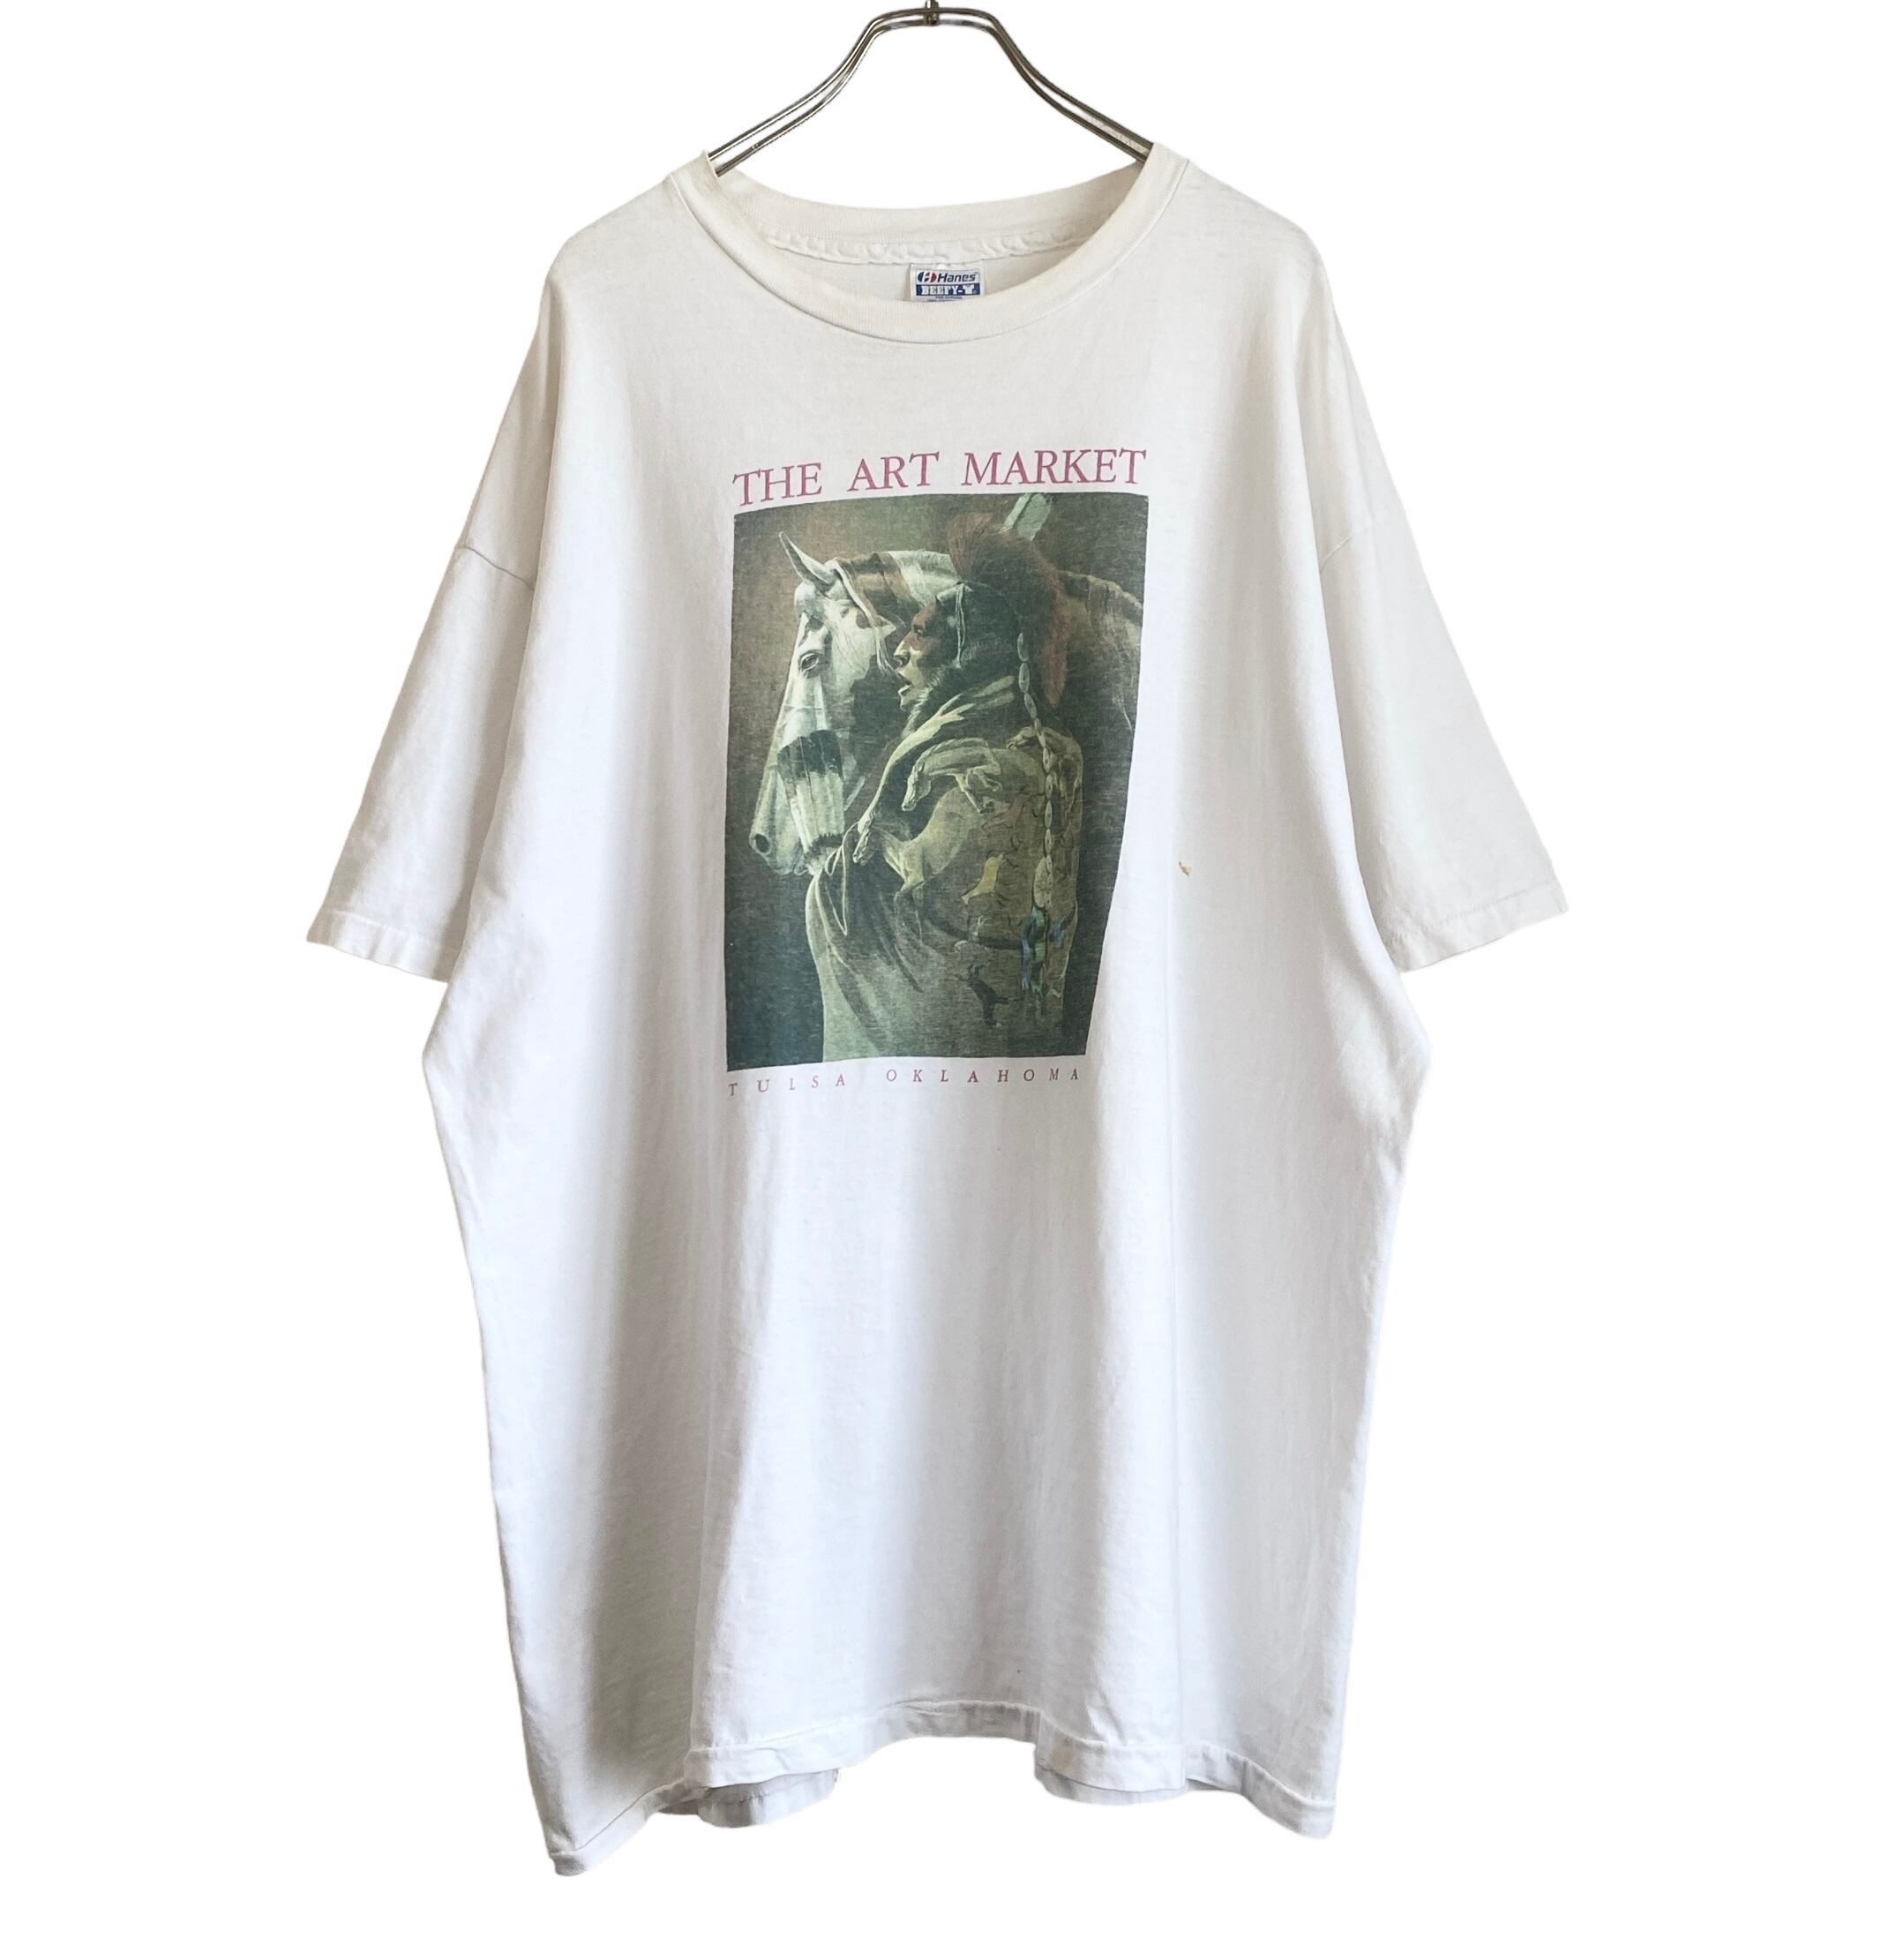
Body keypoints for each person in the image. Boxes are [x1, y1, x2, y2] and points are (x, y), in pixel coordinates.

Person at [805, 514, 1083, 1060]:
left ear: (966, 649)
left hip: (946, 1012)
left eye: (922, 631)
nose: (900, 649)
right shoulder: (1053, 748)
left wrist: (853, 848)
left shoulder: (959, 762)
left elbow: (912, 873)